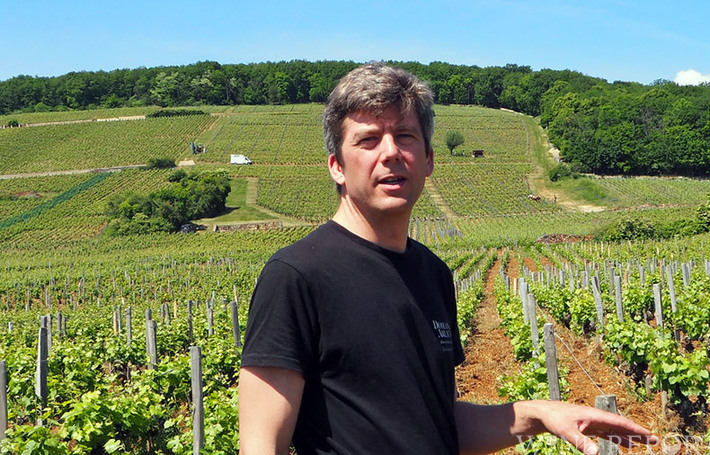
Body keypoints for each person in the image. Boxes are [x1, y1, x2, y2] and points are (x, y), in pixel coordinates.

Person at [238, 62, 658, 455]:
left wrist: (539, 415)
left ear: (428, 160)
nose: (390, 152)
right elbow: (261, 444)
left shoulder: (433, 273)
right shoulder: (297, 276)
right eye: (368, 139)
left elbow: (437, 423)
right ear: (337, 167)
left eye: (405, 136)